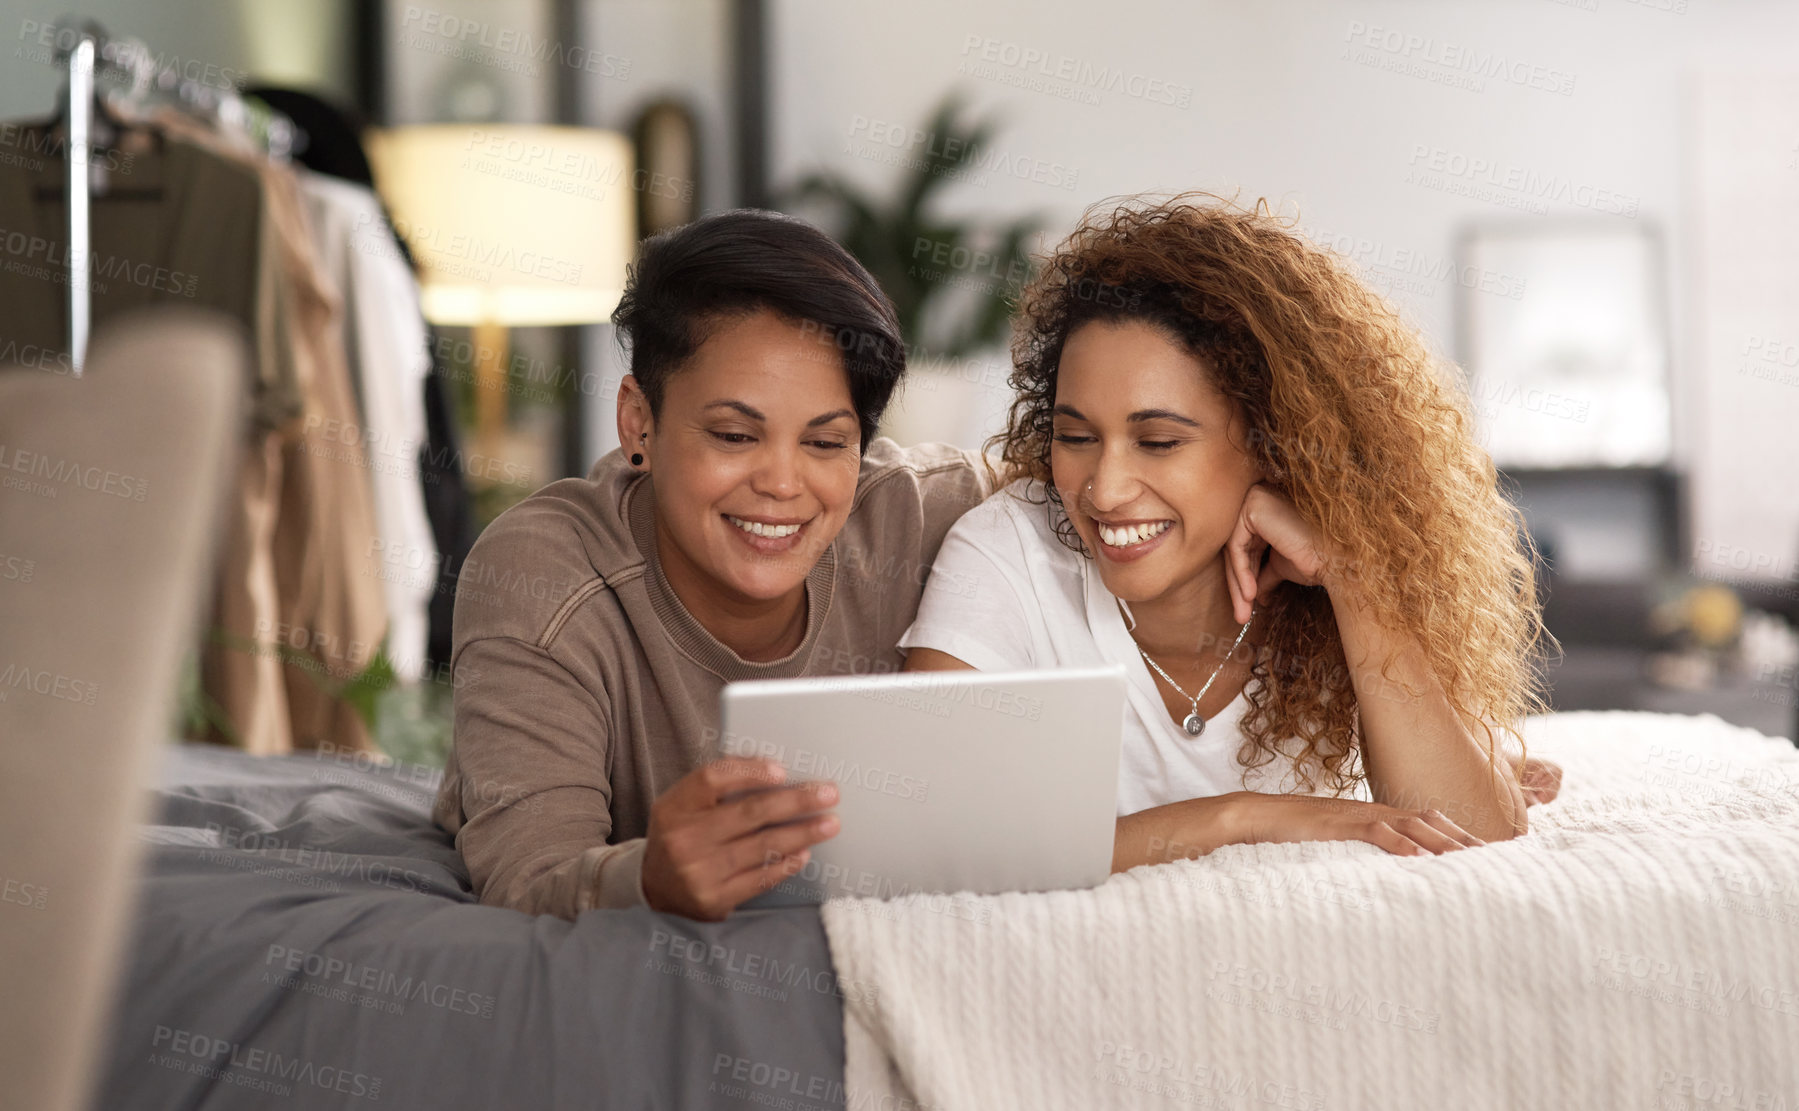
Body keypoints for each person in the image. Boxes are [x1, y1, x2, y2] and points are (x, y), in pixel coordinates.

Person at [901, 194, 1554, 871]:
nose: (1103, 488)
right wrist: (1241, 816)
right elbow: (936, 841)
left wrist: (1350, 578)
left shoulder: (1330, 579)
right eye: (1075, 436)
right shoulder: (1008, 554)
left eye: (1156, 441)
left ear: (1272, 442)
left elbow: (1477, 843)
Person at [432, 209, 993, 921]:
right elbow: (528, 878)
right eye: (733, 434)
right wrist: (648, 876)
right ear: (639, 422)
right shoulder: (541, 577)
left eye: (825, 443)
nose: (782, 483)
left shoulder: (921, 515)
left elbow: (1100, 473)